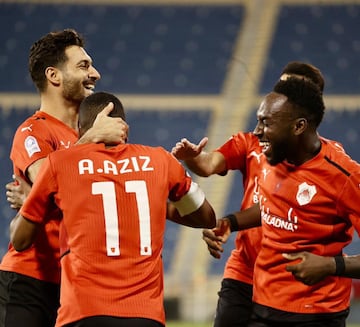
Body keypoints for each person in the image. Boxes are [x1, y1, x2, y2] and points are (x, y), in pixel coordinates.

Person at [10, 91, 216, 327]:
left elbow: (21, 240)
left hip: (83, 314)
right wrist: (158, 203)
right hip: (146, 315)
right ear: (124, 127)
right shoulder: (161, 160)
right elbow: (207, 217)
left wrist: (38, 201)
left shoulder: (60, 163)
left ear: (80, 130)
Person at [171, 61, 325, 327]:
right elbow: (208, 164)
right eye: (280, 86)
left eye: (291, 89)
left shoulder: (321, 165)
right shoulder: (249, 143)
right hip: (244, 270)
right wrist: (192, 159)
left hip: (289, 279)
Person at [1, 29, 128, 327]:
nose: (95, 74)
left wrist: (38, 200)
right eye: (83, 66)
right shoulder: (33, 131)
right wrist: (92, 139)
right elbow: (48, 175)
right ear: (54, 76)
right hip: (29, 280)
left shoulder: (91, 138)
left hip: (76, 285)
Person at [210, 77, 360, 326]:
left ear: (299, 126)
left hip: (316, 314)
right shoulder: (273, 159)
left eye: (266, 123)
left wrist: (330, 265)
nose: (257, 131)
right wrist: (231, 222)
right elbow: (278, 207)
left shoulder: (345, 176)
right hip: (262, 305)